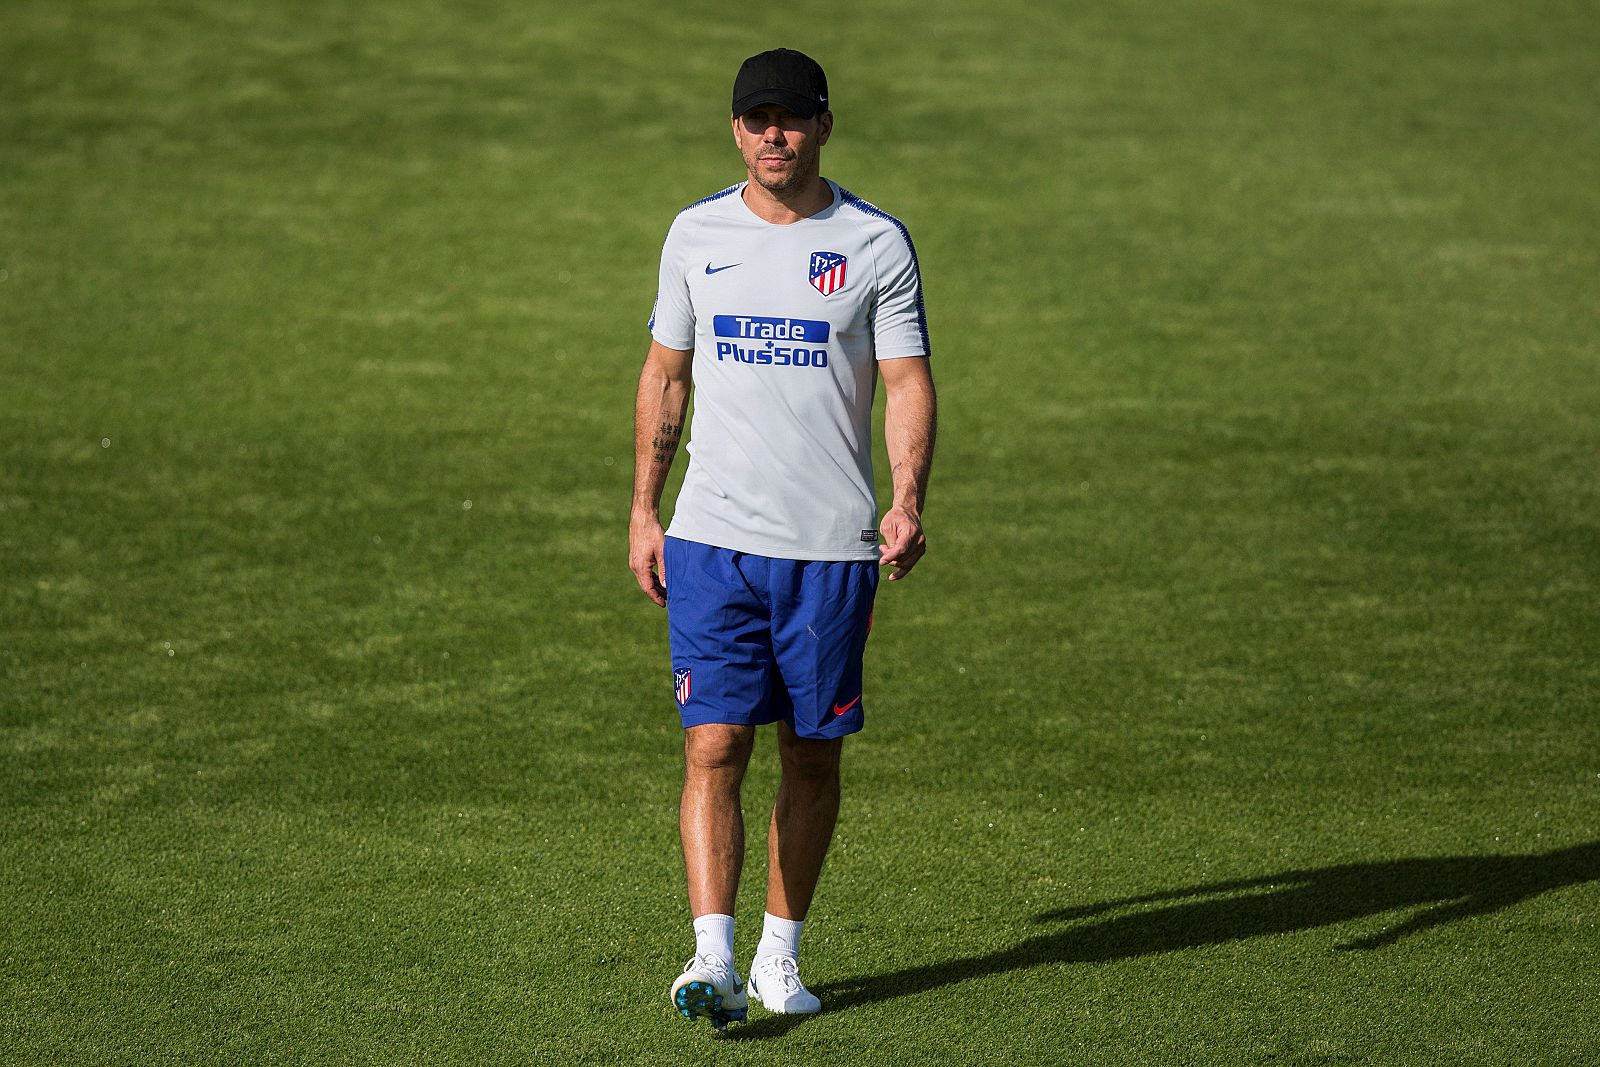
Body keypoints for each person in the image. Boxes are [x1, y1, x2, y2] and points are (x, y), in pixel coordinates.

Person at [629, 47, 937, 1030]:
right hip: (711, 536)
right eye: (757, 118)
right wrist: (645, 505)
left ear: (822, 127)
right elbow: (665, 374)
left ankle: (776, 954)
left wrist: (906, 498)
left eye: (791, 119)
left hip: (830, 548)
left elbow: (904, 382)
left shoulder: (875, 243)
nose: (774, 135)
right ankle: (710, 955)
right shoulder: (694, 233)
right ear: (734, 129)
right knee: (712, 739)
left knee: (810, 752)